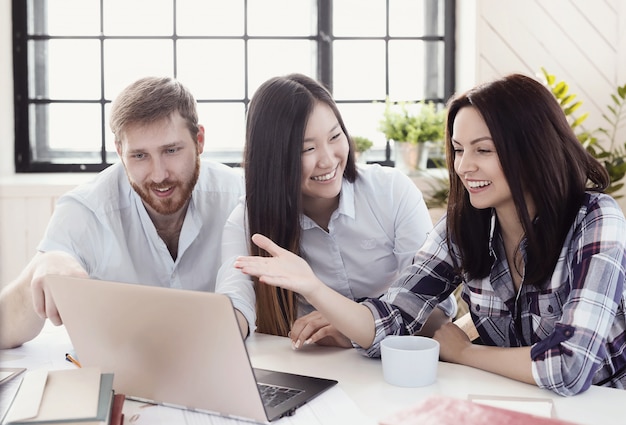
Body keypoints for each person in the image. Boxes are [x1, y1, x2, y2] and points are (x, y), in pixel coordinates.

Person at [233, 73, 626, 396]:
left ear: (530, 149)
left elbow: (570, 367)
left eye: (482, 150)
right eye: (457, 150)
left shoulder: (595, 219)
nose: (463, 166)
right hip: (512, 399)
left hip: (604, 405)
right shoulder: (465, 225)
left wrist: (464, 353)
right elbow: (391, 320)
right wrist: (312, 286)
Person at [0, 76, 244, 349]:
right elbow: (5, 328)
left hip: (221, 363)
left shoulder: (238, 195)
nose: (159, 174)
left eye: (171, 150)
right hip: (124, 378)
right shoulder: (88, 209)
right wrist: (43, 265)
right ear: (120, 151)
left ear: (199, 140)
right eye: (139, 156)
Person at [216, 73, 456, 347]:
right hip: (315, 367)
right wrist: (223, 329)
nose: (328, 160)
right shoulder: (249, 218)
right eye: (307, 148)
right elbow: (235, 297)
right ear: (273, 159)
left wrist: (354, 324)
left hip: (396, 367)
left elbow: (436, 315)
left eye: (335, 136)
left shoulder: (391, 192)